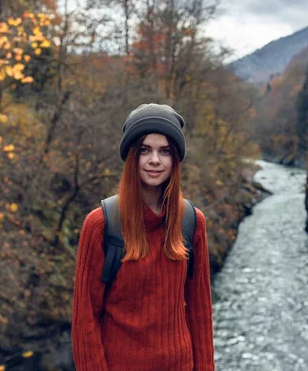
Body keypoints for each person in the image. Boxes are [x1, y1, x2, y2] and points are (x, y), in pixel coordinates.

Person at [71, 103, 215, 371]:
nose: (155, 160)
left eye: (165, 151)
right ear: (132, 157)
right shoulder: (101, 225)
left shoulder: (192, 222)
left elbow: (200, 313)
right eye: (145, 150)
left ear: (175, 159)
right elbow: (85, 321)